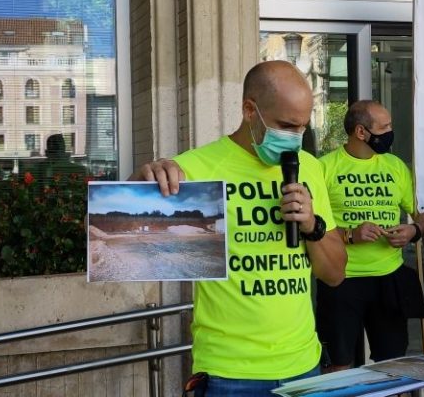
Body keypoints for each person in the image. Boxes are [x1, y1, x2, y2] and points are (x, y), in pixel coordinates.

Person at [130, 60, 347, 396]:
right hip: (228, 374)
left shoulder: (310, 168)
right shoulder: (196, 169)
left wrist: (312, 225)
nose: (295, 139)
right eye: (287, 126)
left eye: (302, 128)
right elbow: (128, 225)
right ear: (250, 110)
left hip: (304, 365)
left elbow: (334, 274)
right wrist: (144, 179)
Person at [316, 100, 424, 372]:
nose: (391, 132)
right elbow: (311, 227)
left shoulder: (395, 166)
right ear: (361, 132)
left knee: (394, 365)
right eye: (385, 127)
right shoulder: (324, 168)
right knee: (338, 364)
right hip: (341, 280)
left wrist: (413, 230)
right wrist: (349, 235)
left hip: (388, 278)